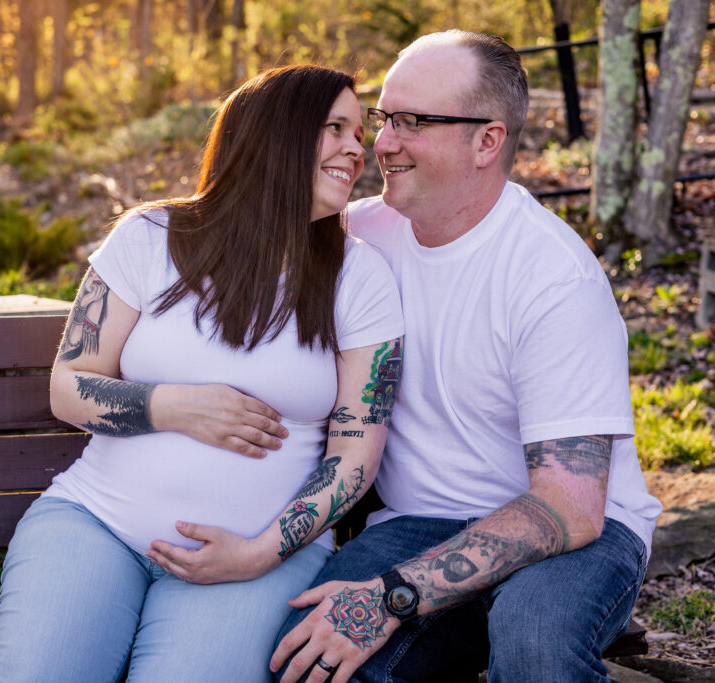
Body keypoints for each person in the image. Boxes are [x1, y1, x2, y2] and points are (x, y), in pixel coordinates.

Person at [0, 64, 404, 683]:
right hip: (98, 527)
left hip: (259, 560)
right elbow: (69, 386)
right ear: (276, 135)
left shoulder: (359, 277)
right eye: (335, 128)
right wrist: (174, 407)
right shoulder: (150, 237)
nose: (357, 146)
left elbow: (353, 456)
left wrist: (258, 554)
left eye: (357, 131)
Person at [270, 31, 663, 683]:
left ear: (488, 141)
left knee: (534, 647)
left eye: (413, 122)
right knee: (306, 656)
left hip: (575, 533)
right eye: (384, 117)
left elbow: (569, 505)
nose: (383, 141)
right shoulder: (360, 235)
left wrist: (393, 594)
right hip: (419, 521)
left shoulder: (553, 278)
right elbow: (245, 237)